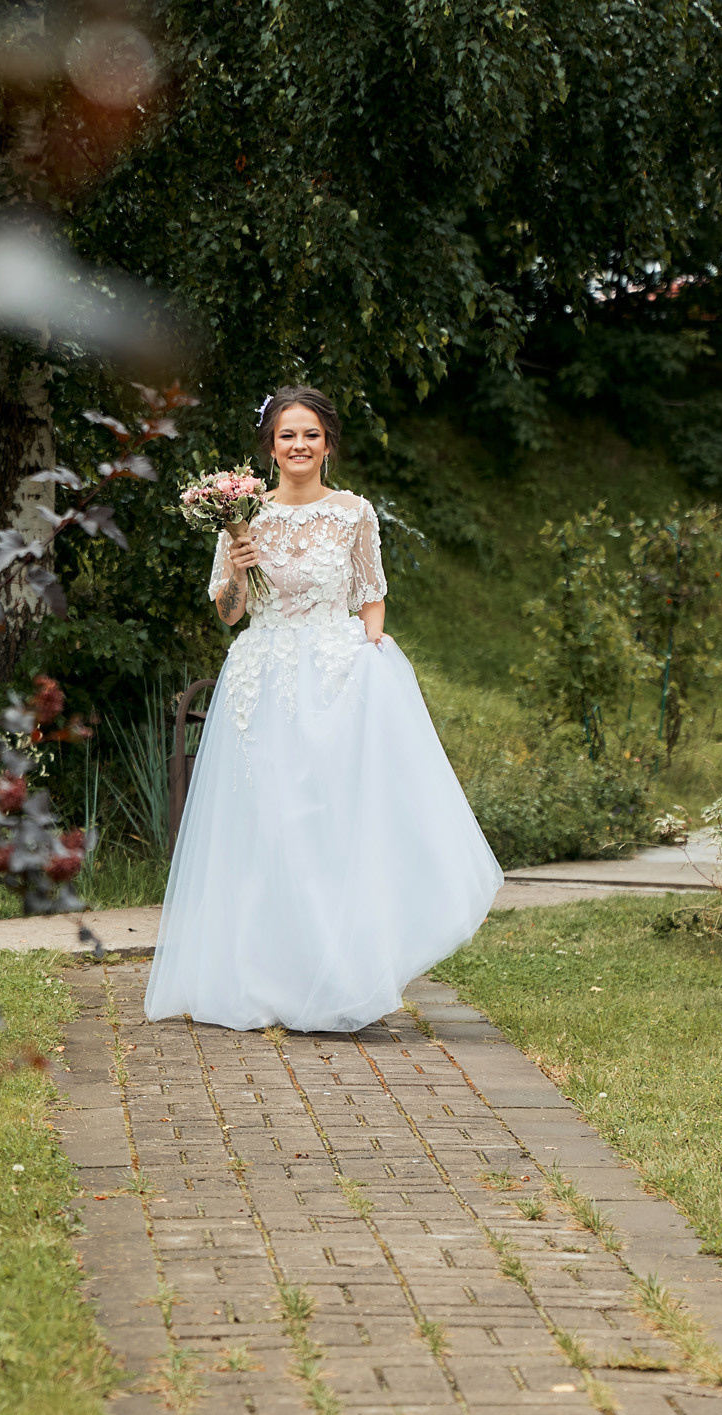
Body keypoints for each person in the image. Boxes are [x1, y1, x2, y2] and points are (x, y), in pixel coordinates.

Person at [143, 385, 501, 1032]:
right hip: (264, 679)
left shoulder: (355, 512)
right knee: (269, 825)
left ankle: (338, 980)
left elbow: (370, 594)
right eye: (287, 435)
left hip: (337, 675)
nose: (299, 445)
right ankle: (262, 978)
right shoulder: (242, 519)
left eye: (310, 433)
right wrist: (236, 568)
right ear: (270, 447)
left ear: (327, 443)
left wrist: (368, 652)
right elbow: (229, 614)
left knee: (329, 825)